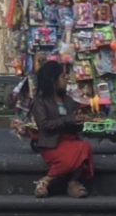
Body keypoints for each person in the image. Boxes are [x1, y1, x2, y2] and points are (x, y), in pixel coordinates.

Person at [30, 59, 93, 198]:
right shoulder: (39, 103)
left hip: (69, 140)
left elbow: (73, 124)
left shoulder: (69, 101)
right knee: (70, 158)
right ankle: (48, 181)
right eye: (63, 78)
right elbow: (45, 125)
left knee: (84, 147)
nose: (66, 81)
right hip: (52, 144)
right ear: (53, 81)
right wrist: (69, 119)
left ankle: (71, 182)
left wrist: (81, 121)